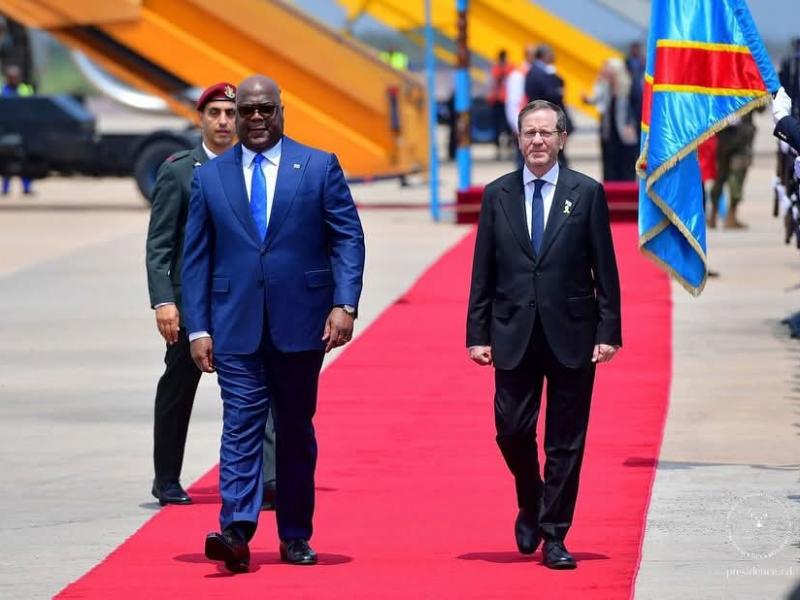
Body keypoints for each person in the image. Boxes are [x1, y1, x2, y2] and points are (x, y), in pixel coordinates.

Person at [182, 75, 365, 572]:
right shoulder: (210, 176)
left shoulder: (319, 166)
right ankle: (236, 531)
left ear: (282, 110)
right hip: (234, 324)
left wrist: (344, 304)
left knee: (293, 430)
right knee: (239, 427)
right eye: (247, 111)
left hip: (302, 326)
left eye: (266, 109)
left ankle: (295, 534)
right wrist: (198, 328)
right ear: (235, 115)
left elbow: (347, 239)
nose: (256, 118)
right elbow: (195, 258)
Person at [466, 99, 621, 570]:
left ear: (562, 139)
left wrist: (609, 329)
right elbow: (483, 271)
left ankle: (555, 533)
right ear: (518, 139)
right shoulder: (497, 195)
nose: (537, 141)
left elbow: (605, 269)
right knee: (511, 430)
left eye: (546, 133)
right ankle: (530, 498)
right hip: (512, 330)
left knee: (566, 439)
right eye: (529, 133)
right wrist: (477, 332)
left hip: (573, 330)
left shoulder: (587, 193)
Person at [146, 83, 278, 509]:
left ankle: (269, 479)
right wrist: (164, 300)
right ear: (200, 118)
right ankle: (166, 477)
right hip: (193, 305)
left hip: (242, 303)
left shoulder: (252, 167)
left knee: (261, 387)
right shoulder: (181, 170)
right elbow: (160, 245)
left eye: (229, 113)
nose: (223, 121)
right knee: (179, 389)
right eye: (215, 113)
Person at [582, 58, 639, 181]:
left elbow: (636, 107)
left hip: (625, 132)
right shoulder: (605, 86)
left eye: (607, 68)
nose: (604, 70)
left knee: (625, 166)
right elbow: (597, 100)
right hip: (609, 132)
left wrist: (632, 124)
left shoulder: (629, 85)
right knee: (609, 166)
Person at [708, 111, 758, 229]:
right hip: (733, 139)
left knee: (724, 176)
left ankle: (721, 216)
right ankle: (723, 216)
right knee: (732, 177)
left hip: (730, 139)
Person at [524, 45, 573, 165]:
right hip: (547, 115)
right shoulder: (538, 72)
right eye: (551, 54)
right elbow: (551, 93)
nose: (554, 57)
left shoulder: (543, 71)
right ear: (544, 56)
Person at [1, 64, 33, 195]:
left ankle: (26, 189)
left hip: (23, 131)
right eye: (11, 77)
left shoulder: (26, 90)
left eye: (15, 76)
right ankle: (5, 189)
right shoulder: (2, 91)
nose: (13, 79)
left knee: (26, 163)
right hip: (6, 132)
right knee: (5, 163)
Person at [488, 49, 513, 159]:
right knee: (504, 126)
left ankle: (501, 148)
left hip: (500, 99)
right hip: (503, 99)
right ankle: (504, 148)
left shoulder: (497, 68)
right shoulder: (508, 68)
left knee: (500, 126)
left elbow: (494, 81)